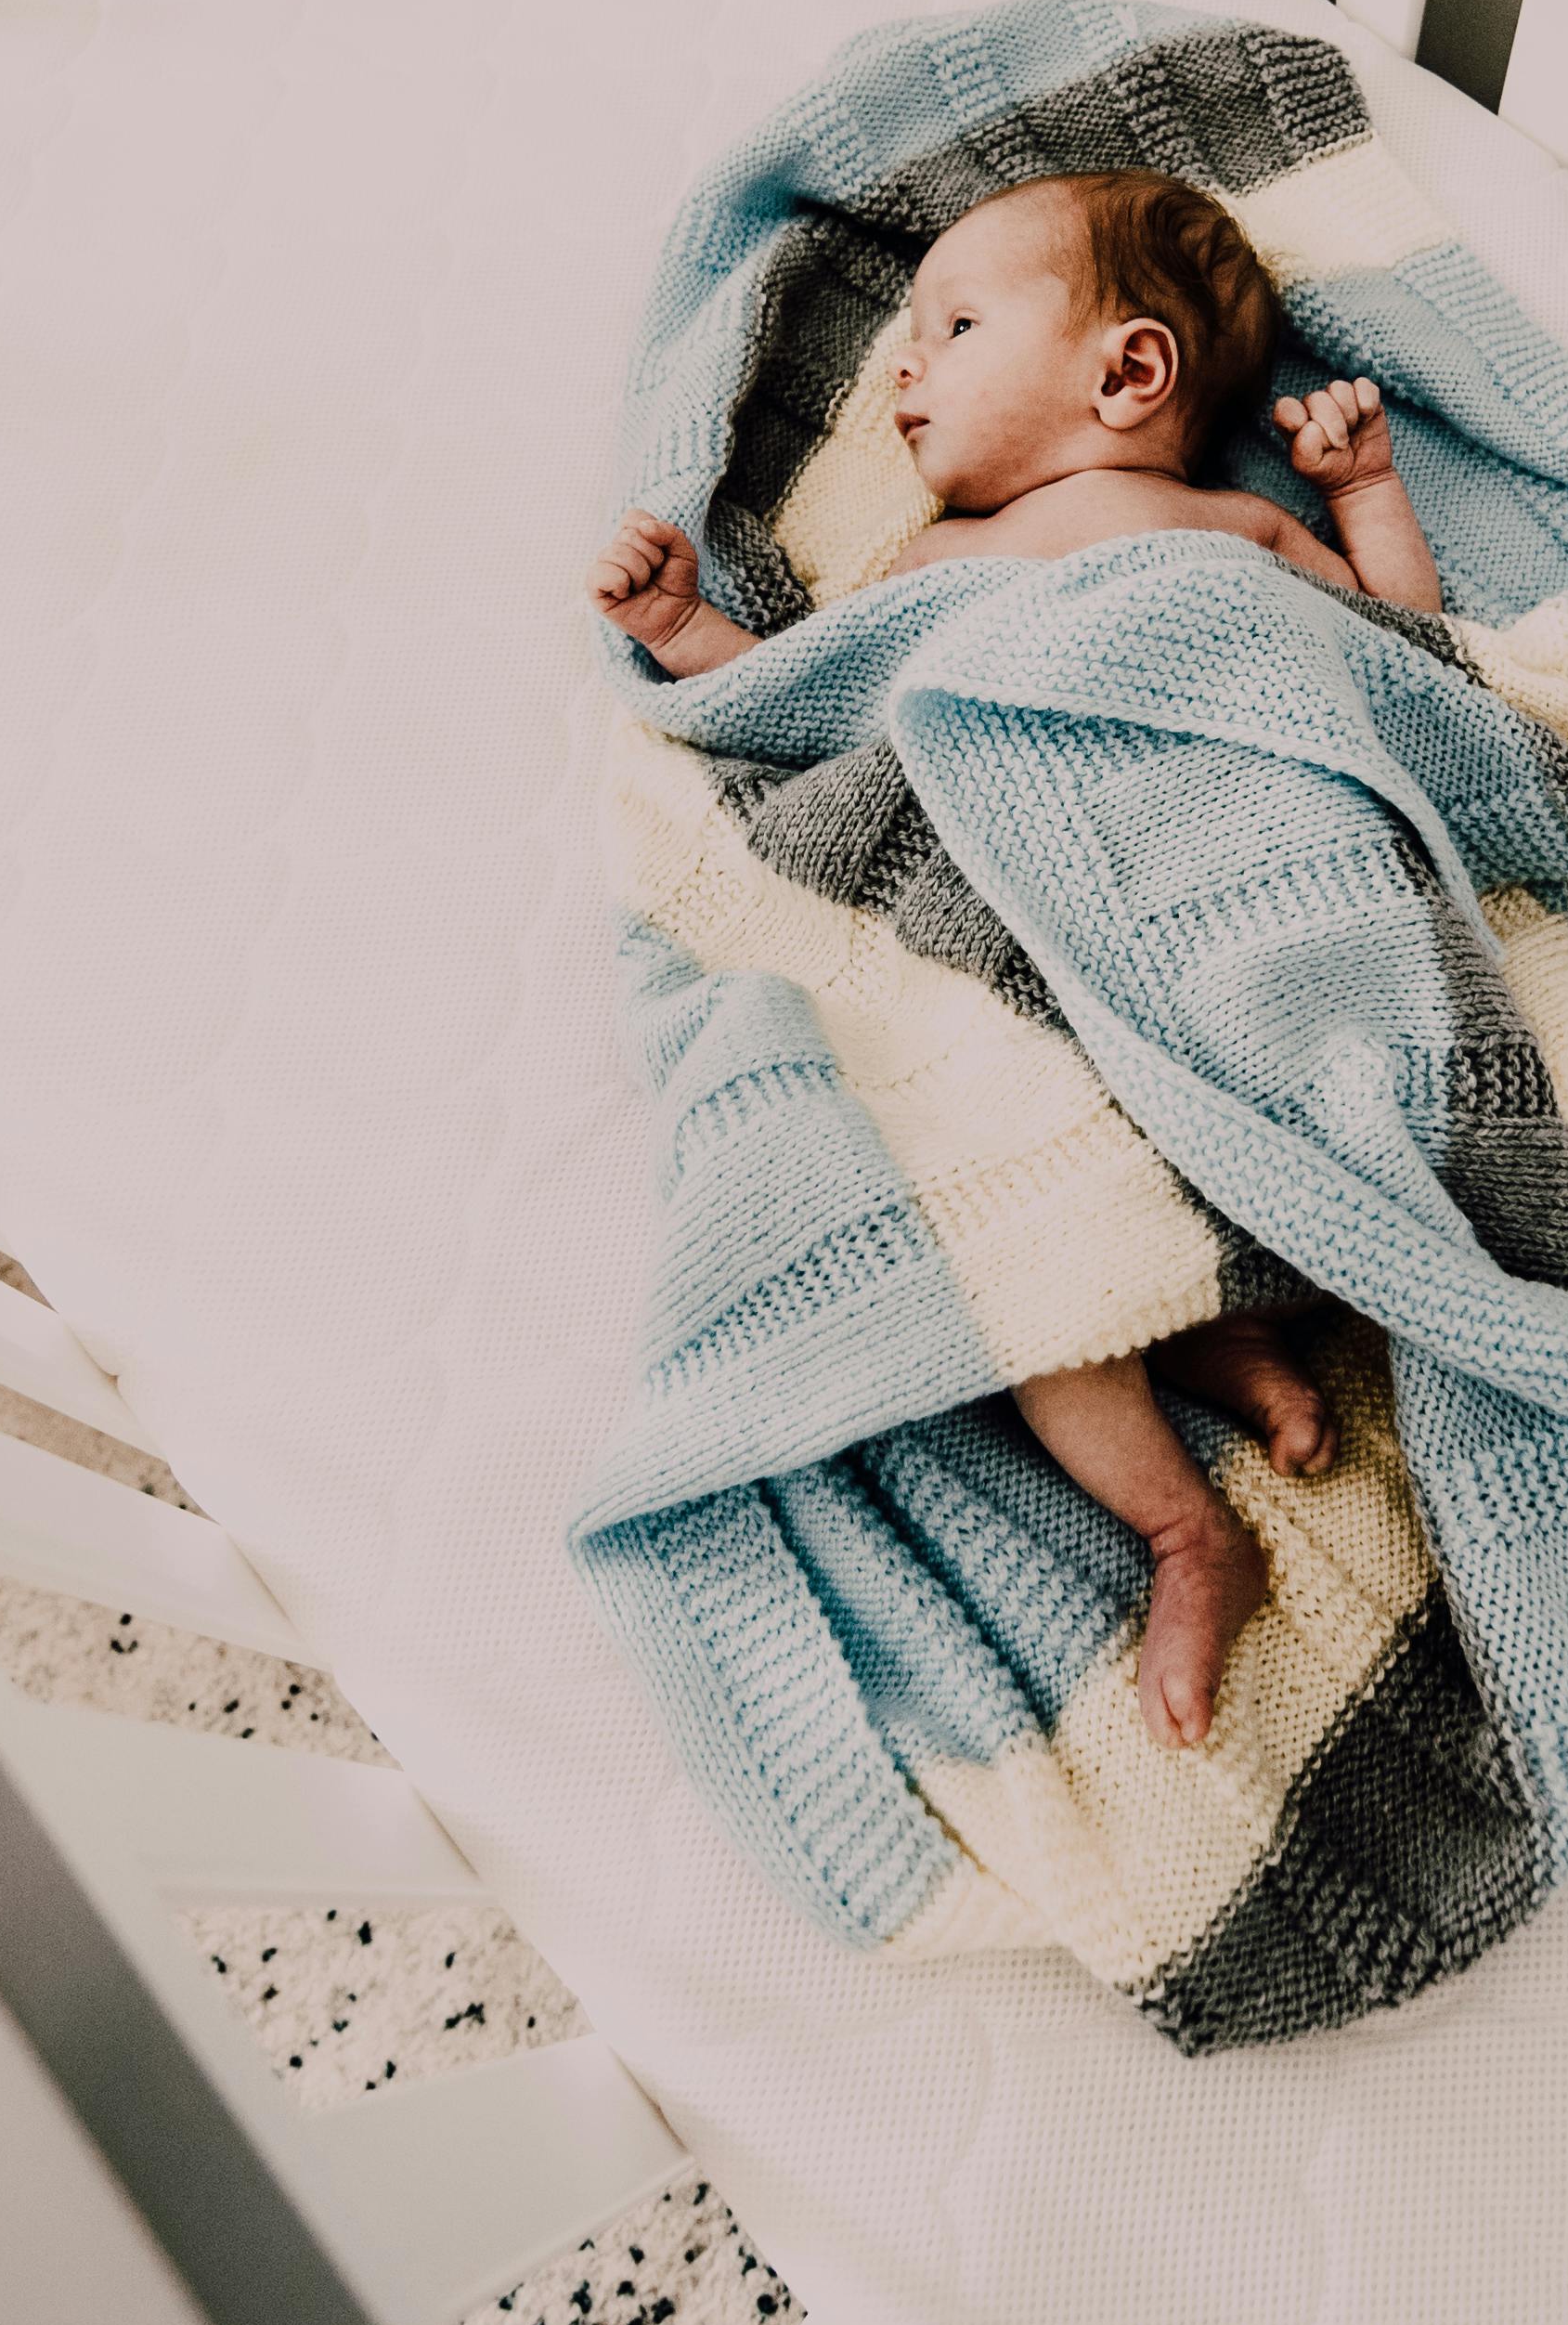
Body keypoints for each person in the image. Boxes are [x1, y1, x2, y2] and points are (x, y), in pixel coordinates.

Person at [588, 170, 1442, 1745]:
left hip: (1212, 909)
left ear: (1125, 373)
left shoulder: (1235, 526)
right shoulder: (920, 572)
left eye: (953, 326)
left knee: (1185, 1152)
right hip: (1018, 952)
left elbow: (1413, 672)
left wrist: (1369, 497)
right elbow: (801, 704)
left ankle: (1232, 1329)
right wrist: (682, 633)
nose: (903, 371)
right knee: (1018, 1228)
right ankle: (1188, 1519)